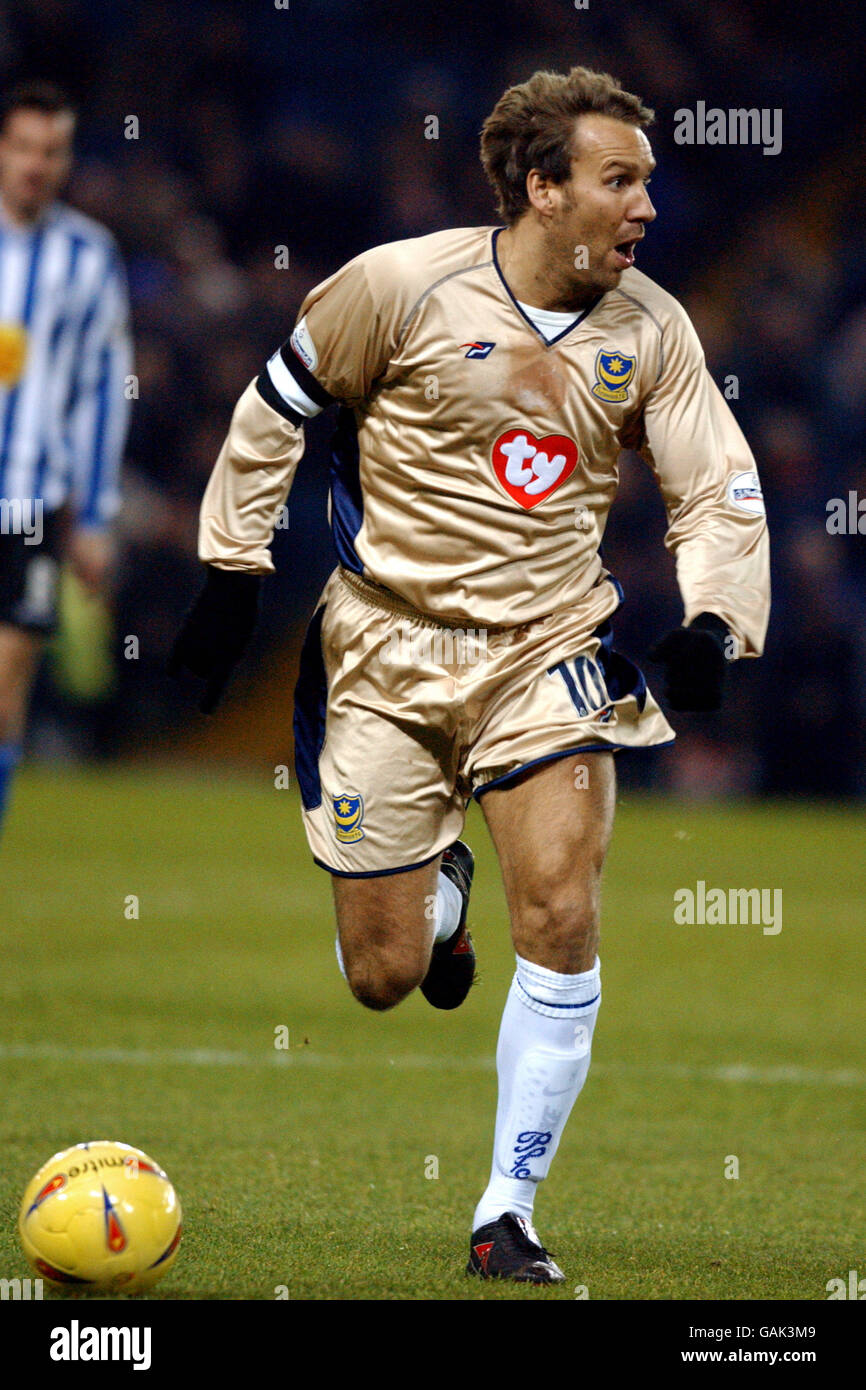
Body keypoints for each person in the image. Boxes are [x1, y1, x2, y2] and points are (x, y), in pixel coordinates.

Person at [171, 66, 770, 1283]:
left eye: (646, 180)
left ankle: (506, 1212)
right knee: (382, 975)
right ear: (542, 190)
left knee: (557, 907)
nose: (646, 204)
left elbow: (716, 484)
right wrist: (230, 576)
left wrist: (714, 623)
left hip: (548, 653)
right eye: (619, 180)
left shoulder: (649, 327)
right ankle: (433, 898)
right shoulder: (397, 287)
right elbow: (272, 412)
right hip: (385, 652)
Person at [0, 81, 132, 835]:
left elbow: (104, 391)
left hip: (32, 504)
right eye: (23, 148)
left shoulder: (87, 255)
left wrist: (98, 515)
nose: (36, 166)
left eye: (51, 151)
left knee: (6, 688)